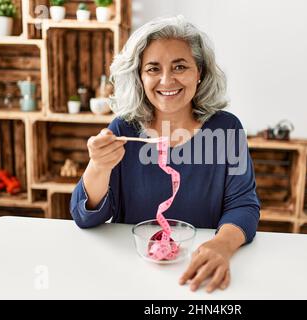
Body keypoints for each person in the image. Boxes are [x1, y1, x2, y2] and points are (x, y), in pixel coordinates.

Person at [70, 15, 260, 293]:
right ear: (139, 76)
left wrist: (221, 245)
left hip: (199, 271)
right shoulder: (124, 129)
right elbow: (85, 217)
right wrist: (98, 166)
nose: (166, 79)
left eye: (180, 66)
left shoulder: (226, 128)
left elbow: (243, 205)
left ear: (200, 73)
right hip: (134, 273)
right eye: (153, 68)